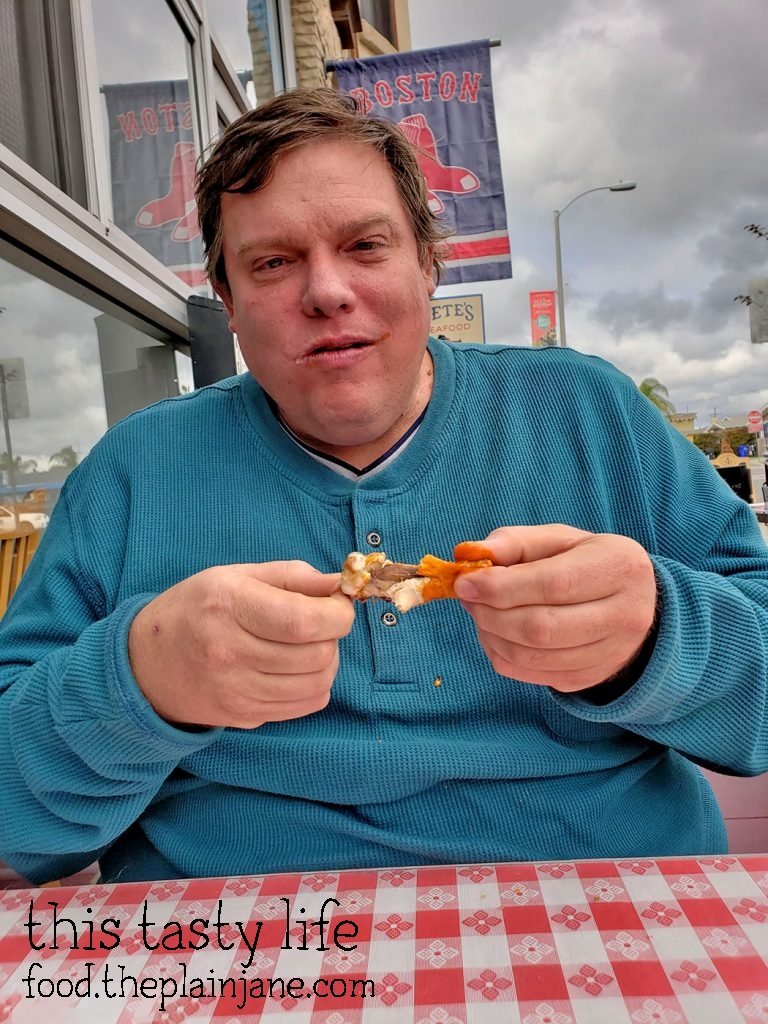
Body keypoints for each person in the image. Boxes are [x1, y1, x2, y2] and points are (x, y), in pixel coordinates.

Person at [1, 88, 767, 886]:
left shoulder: (591, 413)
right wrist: (140, 683)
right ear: (226, 300)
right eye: (272, 262)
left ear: (428, 263)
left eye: (366, 245)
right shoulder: (132, 472)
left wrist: (656, 636)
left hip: (611, 897)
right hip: (233, 925)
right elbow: (13, 824)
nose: (326, 292)